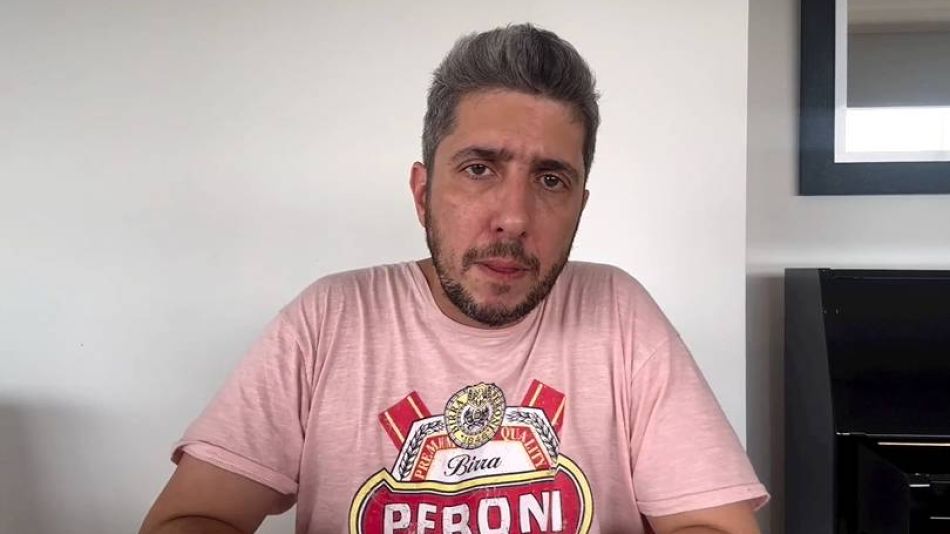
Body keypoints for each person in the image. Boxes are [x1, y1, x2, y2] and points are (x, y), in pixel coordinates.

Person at [140, 23, 768, 534]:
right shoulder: (329, 319)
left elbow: (715, 525)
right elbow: (193, 517)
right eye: (478, 169)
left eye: (551, 179)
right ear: (423, 194)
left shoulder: (620, 314)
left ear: (579, 205)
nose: (515, 217)